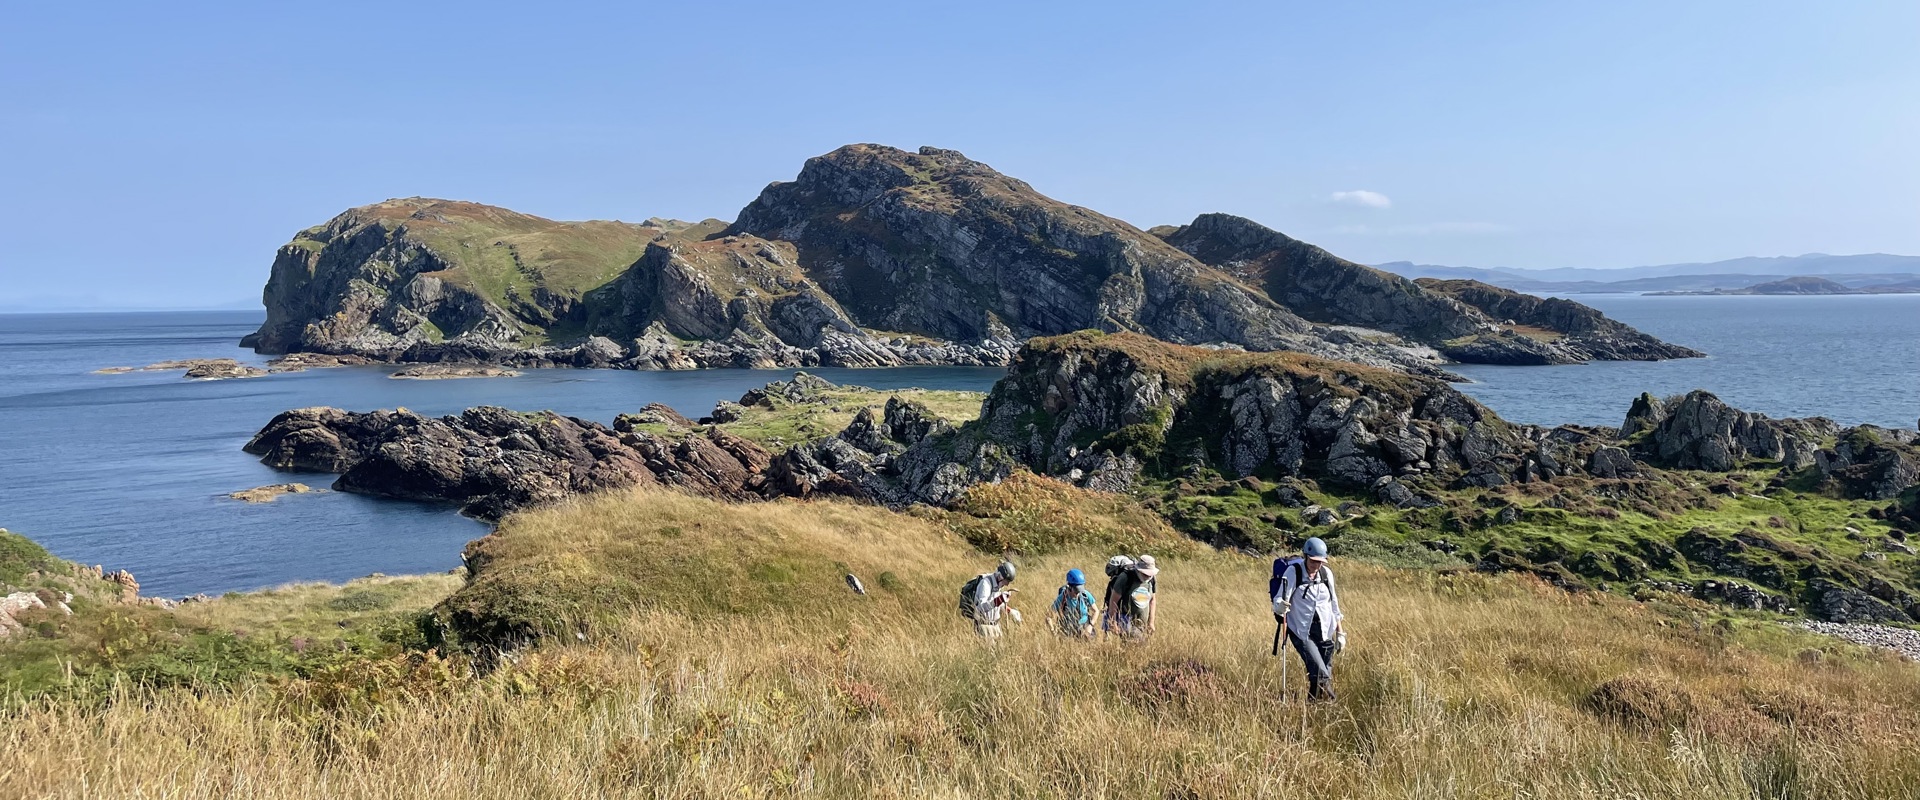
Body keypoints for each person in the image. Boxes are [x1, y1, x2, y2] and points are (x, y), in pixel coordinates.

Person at [1271, 537, 1345, 701]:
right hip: (1301, 631)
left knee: (1319, 674)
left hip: (1326, 630)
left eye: (1320, 562)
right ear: (1305, 556)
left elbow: (1334, 604)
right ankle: (1331, 703)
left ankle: (1314, 707)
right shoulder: (1293, 572)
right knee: (1321, 674)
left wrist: (1340, 633)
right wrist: (1280, 606)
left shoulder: (1326, 574)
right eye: (1313, 561)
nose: (1316, 566)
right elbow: (1279, 599)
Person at [961, 561, 1018, 640]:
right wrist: (999, 599)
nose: (1007, 584)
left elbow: (997, 604)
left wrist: (1010, 611)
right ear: (1000, 576)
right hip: (984, 627)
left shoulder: (998, 585)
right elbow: (981, 607)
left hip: (996, 626)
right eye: (1006, 581)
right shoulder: (985, 583)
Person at [1107, 554, 1159, 640]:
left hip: (1142, 623)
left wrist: (1151, 622)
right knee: (1138, 644)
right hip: (1126, 621)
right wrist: (1113, 623)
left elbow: (1152, 600)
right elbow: (1113, 601)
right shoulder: (1126, 577)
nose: (1148, 577)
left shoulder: (1152, 579)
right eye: (1146, 574)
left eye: (1150, 574)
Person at [1050, 568, 1099, 639]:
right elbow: (1048, 617)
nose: (1078, 593)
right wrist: (1053, 632)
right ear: (1069, 587)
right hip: (1068, 629)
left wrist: (1090, 626)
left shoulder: (1085, 594)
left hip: (1085, 627)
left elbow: (1096, 611)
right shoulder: (1063, 597)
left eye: (1080, 590)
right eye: (1076, 591)